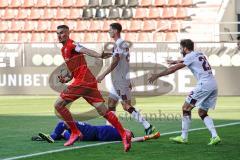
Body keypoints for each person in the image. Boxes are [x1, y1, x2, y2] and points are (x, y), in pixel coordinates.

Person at [54, 25, 131, 152]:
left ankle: (75, 132)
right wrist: (66, 79)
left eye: (62, 33)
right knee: (103, 111)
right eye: (58, 33)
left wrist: (99, 55)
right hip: (89, 81)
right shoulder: (64, 50)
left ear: (68, 33)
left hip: (83, 81)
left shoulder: (71, 44)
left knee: (58, 105)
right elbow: (73, 72)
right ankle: (123, 134)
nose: (59, 35)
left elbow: (86, 50)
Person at [148, 39, 221, 145]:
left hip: (204, 85)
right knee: (202, 112)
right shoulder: (198, 53)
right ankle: (215, 136)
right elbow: (187, 60)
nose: (180, 49)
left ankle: (183, 137)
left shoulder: (189, 57)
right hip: (213, 84)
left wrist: (157, 75)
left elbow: (172, 69)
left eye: (181, 48)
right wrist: (176, 61)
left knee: (186, 108)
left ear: (185, 48)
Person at [96, 23, 159, 135]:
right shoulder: (121, 44)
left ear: (115, 31)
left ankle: (147, 126)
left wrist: (103, 74)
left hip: (120, 80)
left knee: (126, 105)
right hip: (119, 80)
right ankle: (109, 129)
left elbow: (116, 61)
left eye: (110, 30)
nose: (109, 32)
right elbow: (122, 61)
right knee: (111, 103)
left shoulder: (119, 43)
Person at [31, 121, 160, 143]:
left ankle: (53, 136)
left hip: (91, 130)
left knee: (64, 122)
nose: (128, 131)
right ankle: (58, 135)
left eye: (129, 132)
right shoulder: (118, 128)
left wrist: (150, 137)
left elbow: (136, 139)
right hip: (90, 134)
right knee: (66, 130)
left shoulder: (124, 138)